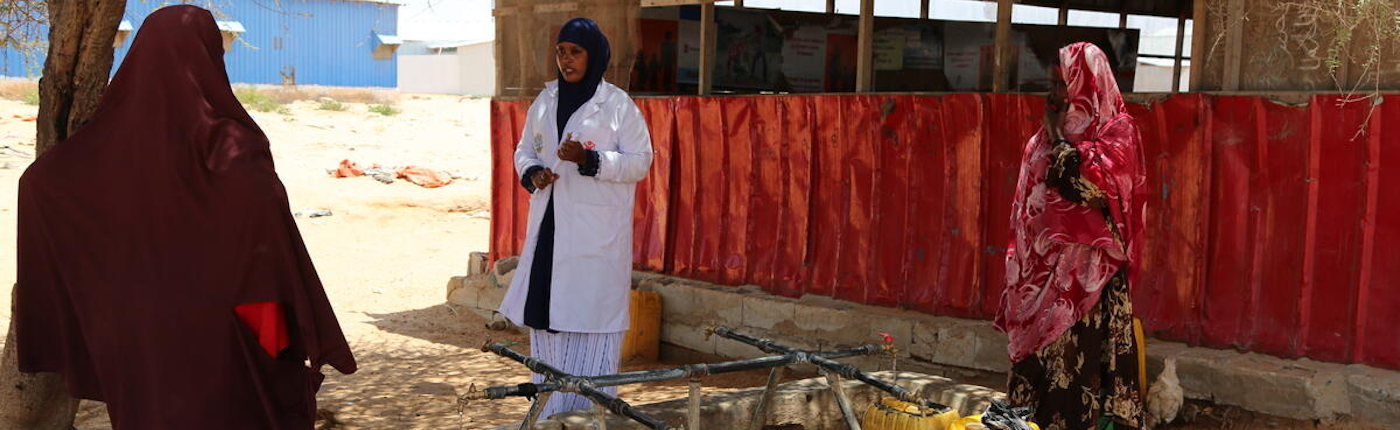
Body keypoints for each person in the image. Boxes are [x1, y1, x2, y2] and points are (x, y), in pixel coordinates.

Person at [14, 6, 356, 429]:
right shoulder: (233, 146)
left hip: (136, 335)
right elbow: (267, 257)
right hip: (226, 335)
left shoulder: (99, 146)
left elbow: (37, 183)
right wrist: (281, 344)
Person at [497, 17, 654, 418]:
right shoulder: (544, 100)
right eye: (561, 52)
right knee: (547, 318)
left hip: (594, 235)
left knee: (592, 323)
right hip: (550, 224)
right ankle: (549, 416)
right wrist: (533, 172)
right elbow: (523, 150)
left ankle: (591, 417)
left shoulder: (618, 105)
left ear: (594, 55)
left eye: (575, 52)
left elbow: (640, 162)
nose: (566, 60)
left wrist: (591, 159)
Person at [994, 42, 1147, 430]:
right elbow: (1027, 206)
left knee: (1082, 369)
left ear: (1089, 82)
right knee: (1039, 377)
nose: (1057, 94)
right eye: (1054, 84)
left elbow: (1092, 188)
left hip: (1088, 281)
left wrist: (1063, 144)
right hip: (1040, 277)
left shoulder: (1118, 132)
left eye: (1065, 83)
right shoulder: (1044, 138)